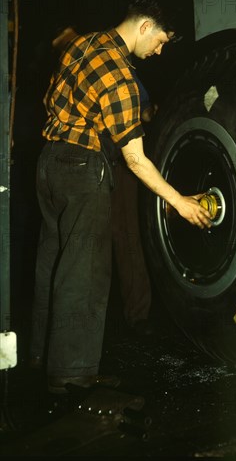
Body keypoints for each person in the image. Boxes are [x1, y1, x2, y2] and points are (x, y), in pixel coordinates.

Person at [29, 0, 212, 394]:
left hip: (48, 164)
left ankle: (40, 358)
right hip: (82, 169)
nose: (160, 51)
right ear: (145, 26)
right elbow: (136, 160)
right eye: (161, 40)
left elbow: (49, 100)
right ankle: (72, 374)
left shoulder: (81, 44)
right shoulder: (120, 75)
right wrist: (179, 202)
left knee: (53, 263)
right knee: (86, 271)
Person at [50, 26, 156, 337]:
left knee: (78, 248)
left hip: (95, 161)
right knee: (111, 242)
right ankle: (129, 320)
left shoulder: (78, 61)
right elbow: (142, 117)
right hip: (107, 162)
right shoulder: (111, 65)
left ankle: (47, 354)